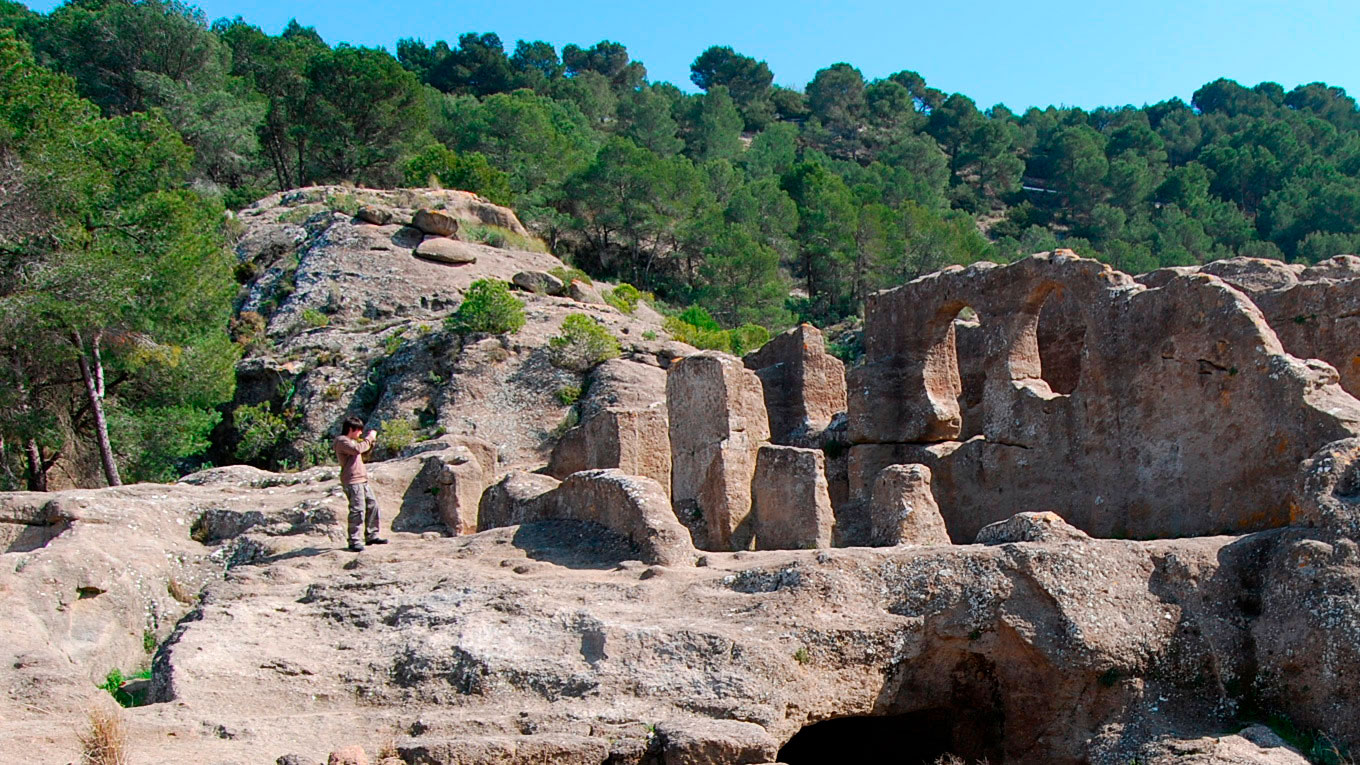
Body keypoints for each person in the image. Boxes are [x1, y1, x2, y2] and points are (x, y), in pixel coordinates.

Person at [334, 416, 387, 551]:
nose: (360, 434)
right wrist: (369, 438)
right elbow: (357, 450)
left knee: (372, 506)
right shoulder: (342, 441)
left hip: (361, 480)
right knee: (358, 510)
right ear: (351, 429)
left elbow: (362, 451)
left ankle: (371, 535)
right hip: (352, 481)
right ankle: (354, 540)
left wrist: (370, 443)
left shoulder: (351, 442)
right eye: (358, 431)